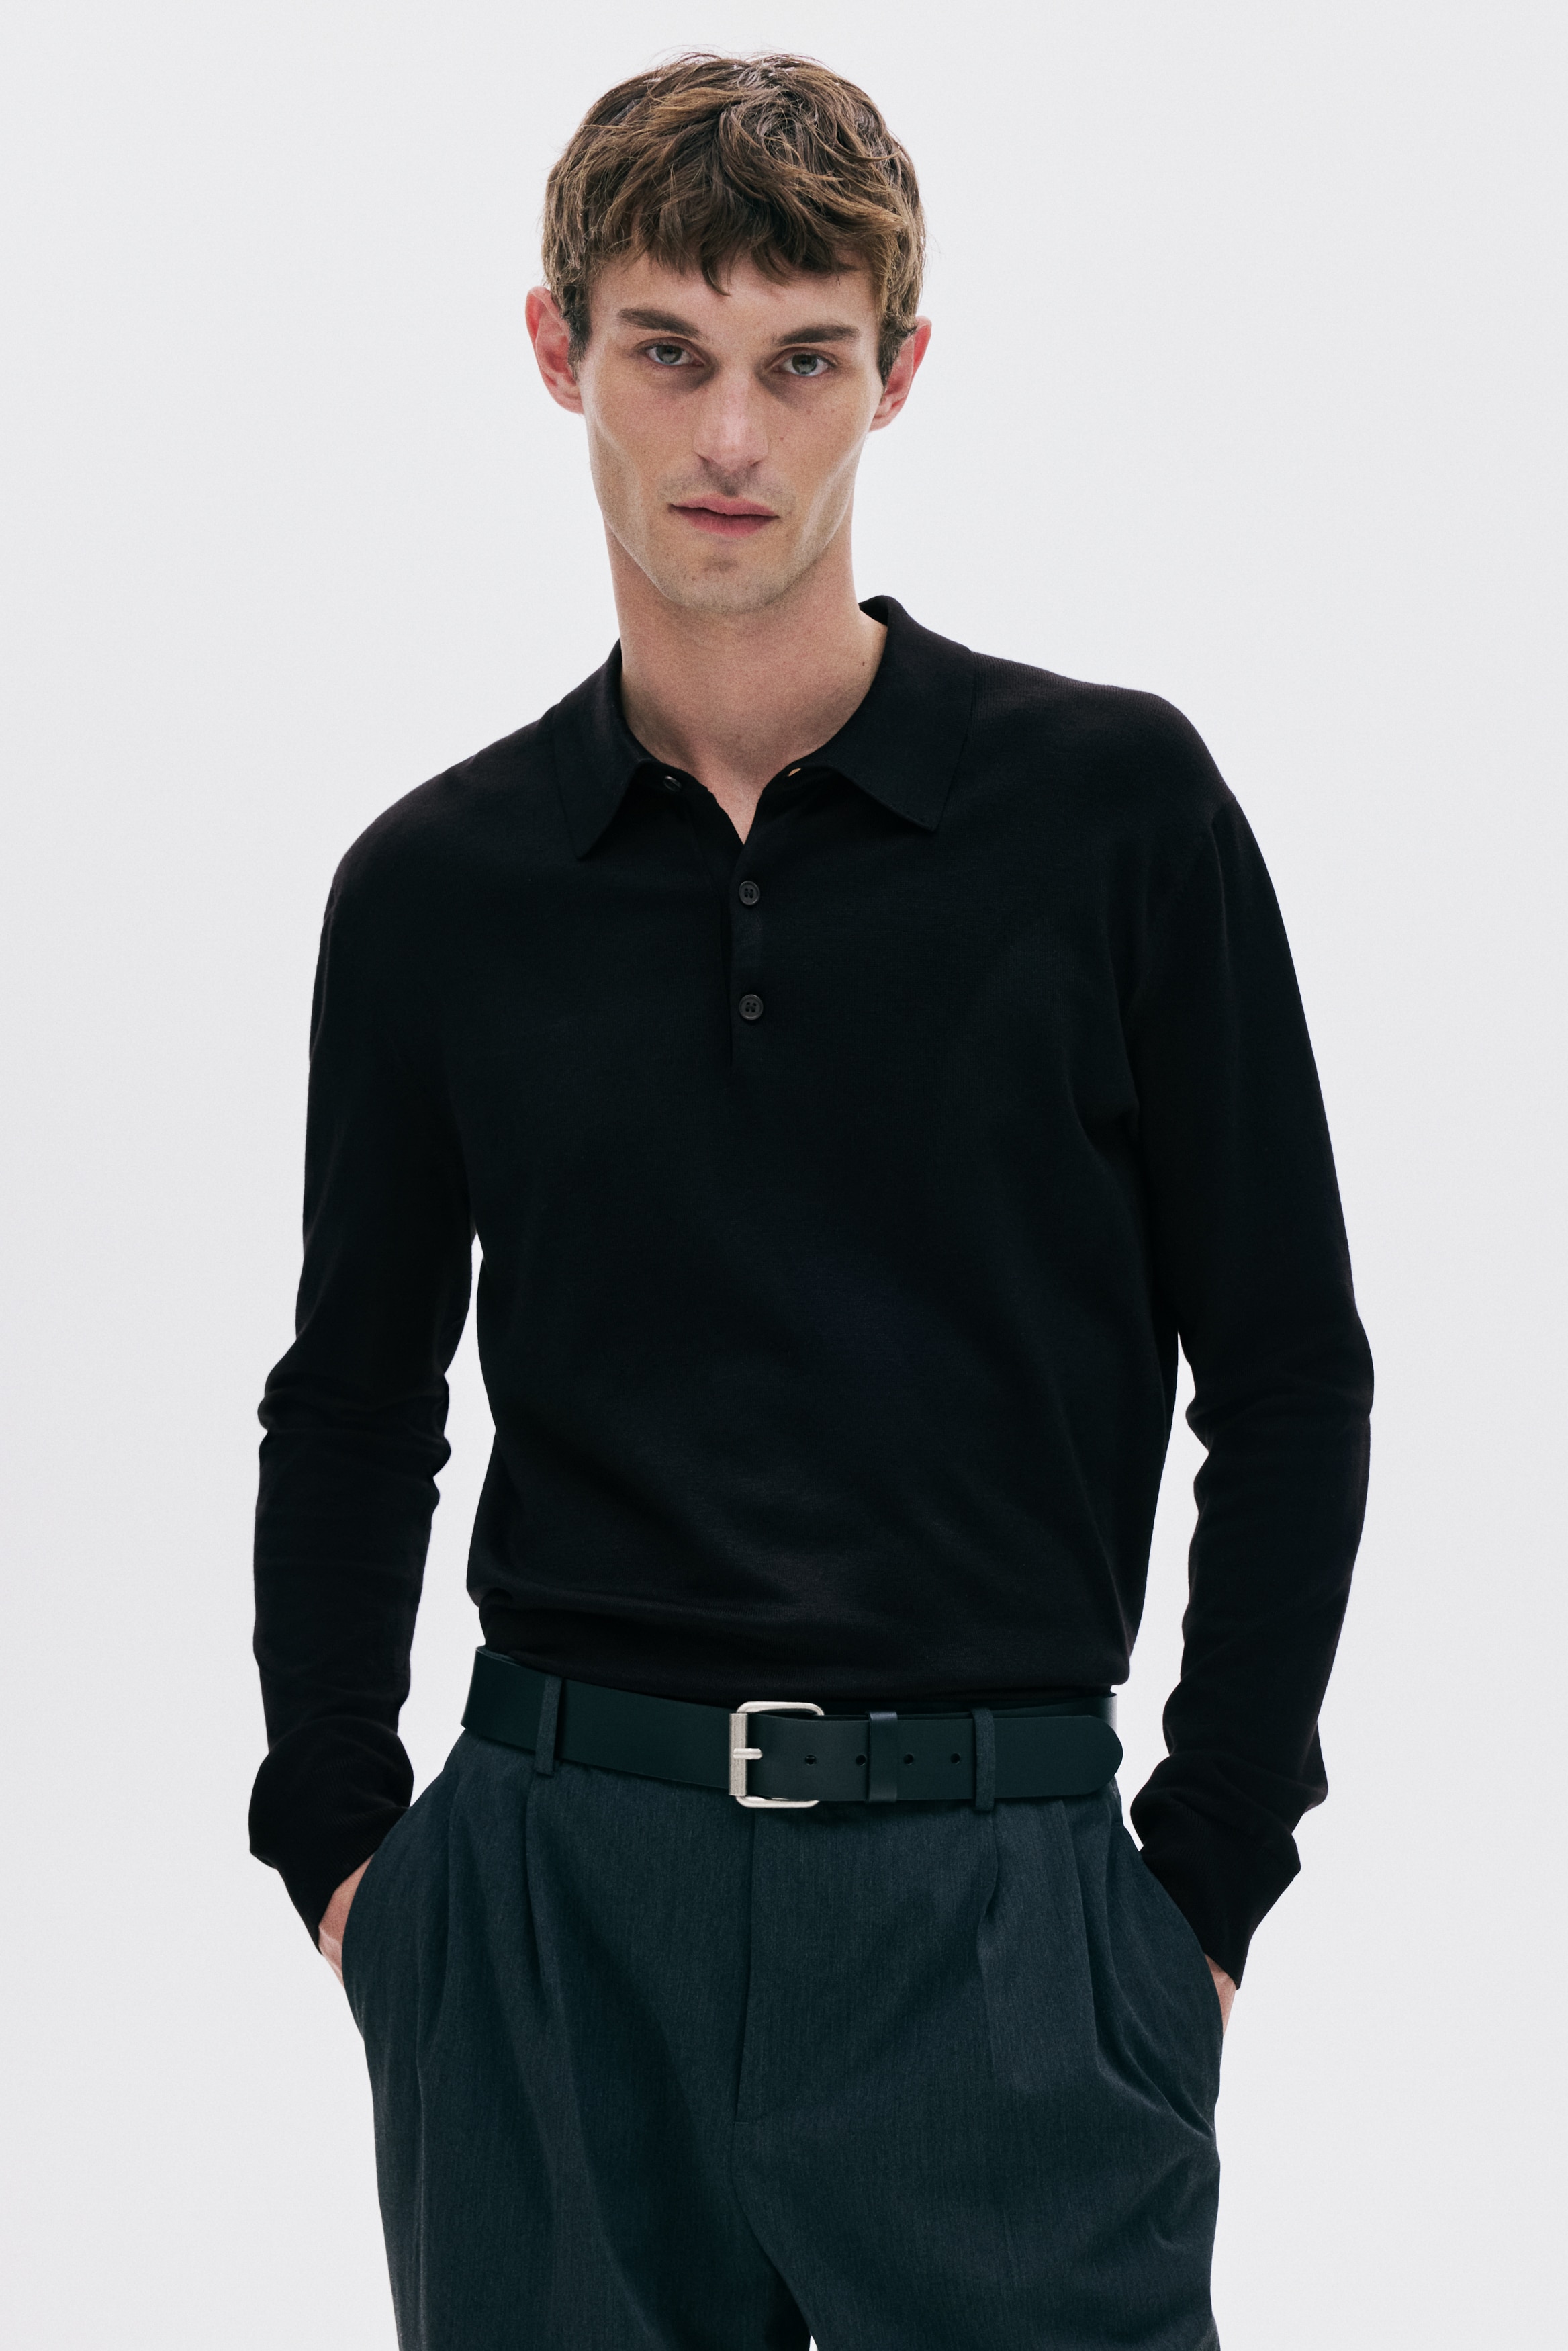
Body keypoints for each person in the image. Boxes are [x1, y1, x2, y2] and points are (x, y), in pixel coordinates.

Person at [250, 50, 1371, 2351]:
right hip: (555, 1910)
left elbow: (1285, 1369)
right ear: (558, 348)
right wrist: (352, 1851)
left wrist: (1202, 1885)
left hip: (1005, 1915)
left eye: (803, 361)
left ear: (900, 370)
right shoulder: (441, 886)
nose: (733, 438)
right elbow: (355, 1399)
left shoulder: (1114, 816)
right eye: (670, 352)